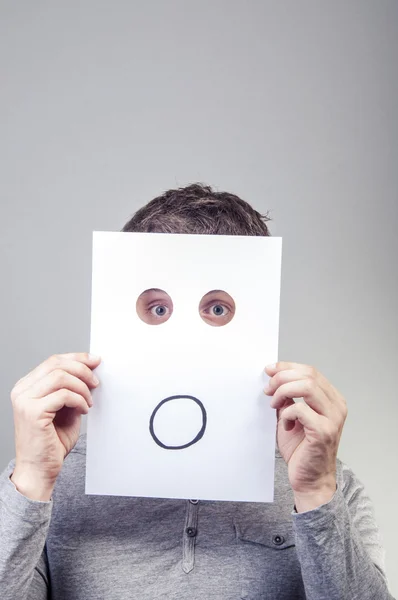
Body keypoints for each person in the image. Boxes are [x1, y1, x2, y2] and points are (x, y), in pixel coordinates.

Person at [0, 183, 394, 600]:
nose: (184, 337)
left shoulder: (327, 482)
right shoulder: (50, 474)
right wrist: (30, 479)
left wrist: (315, 492)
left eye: (218, 308)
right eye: (158, 308)